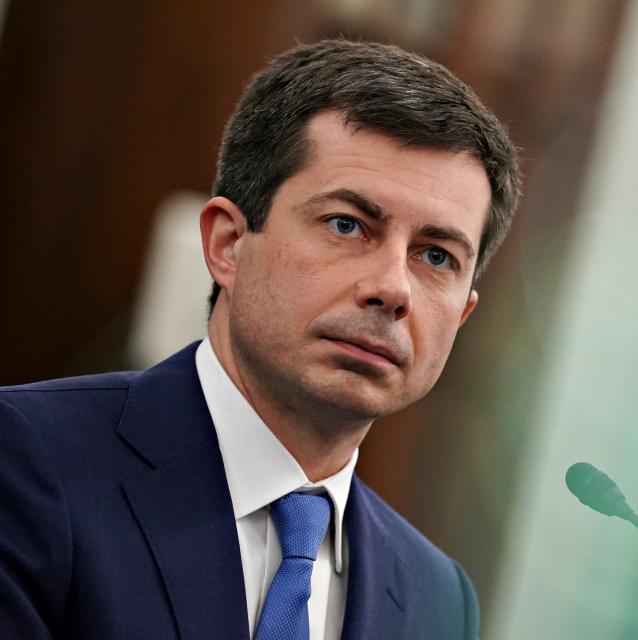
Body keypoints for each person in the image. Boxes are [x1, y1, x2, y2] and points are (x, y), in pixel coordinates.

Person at [0, 39, 520, 640]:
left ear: (462, 315)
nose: (392, 288)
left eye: (436, 255)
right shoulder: (27, 462)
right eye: (347, 225)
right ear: (227, 244)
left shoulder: (439, 597)